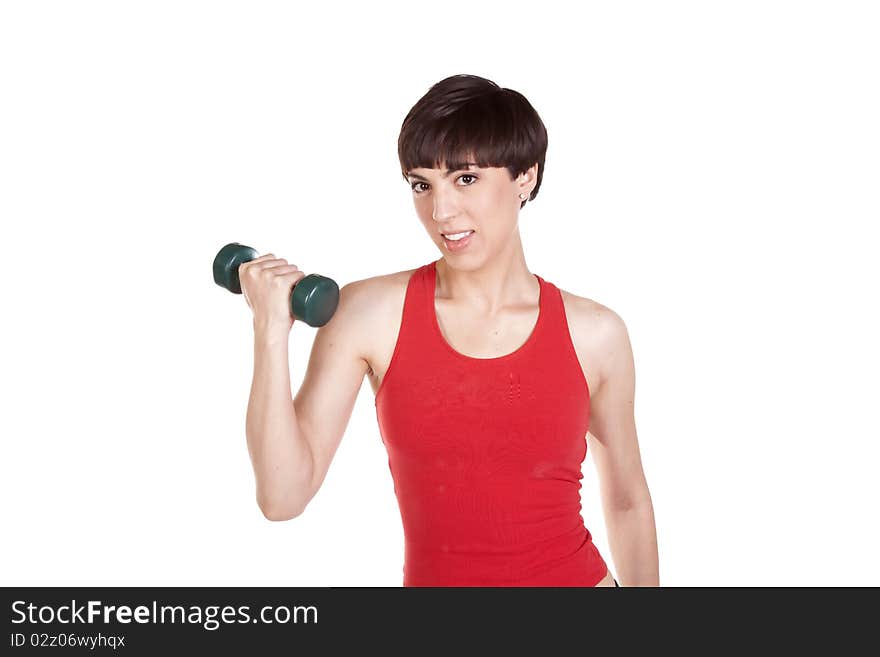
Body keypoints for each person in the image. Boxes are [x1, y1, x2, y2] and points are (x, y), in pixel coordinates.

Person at [239, 74, 659, 587]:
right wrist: (270, 331)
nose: (440, 212)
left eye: (465, 179)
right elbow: (282, 498)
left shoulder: (596, 334)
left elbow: (626, 499)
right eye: (422, 184)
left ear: (525, 178)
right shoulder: (369, 314)